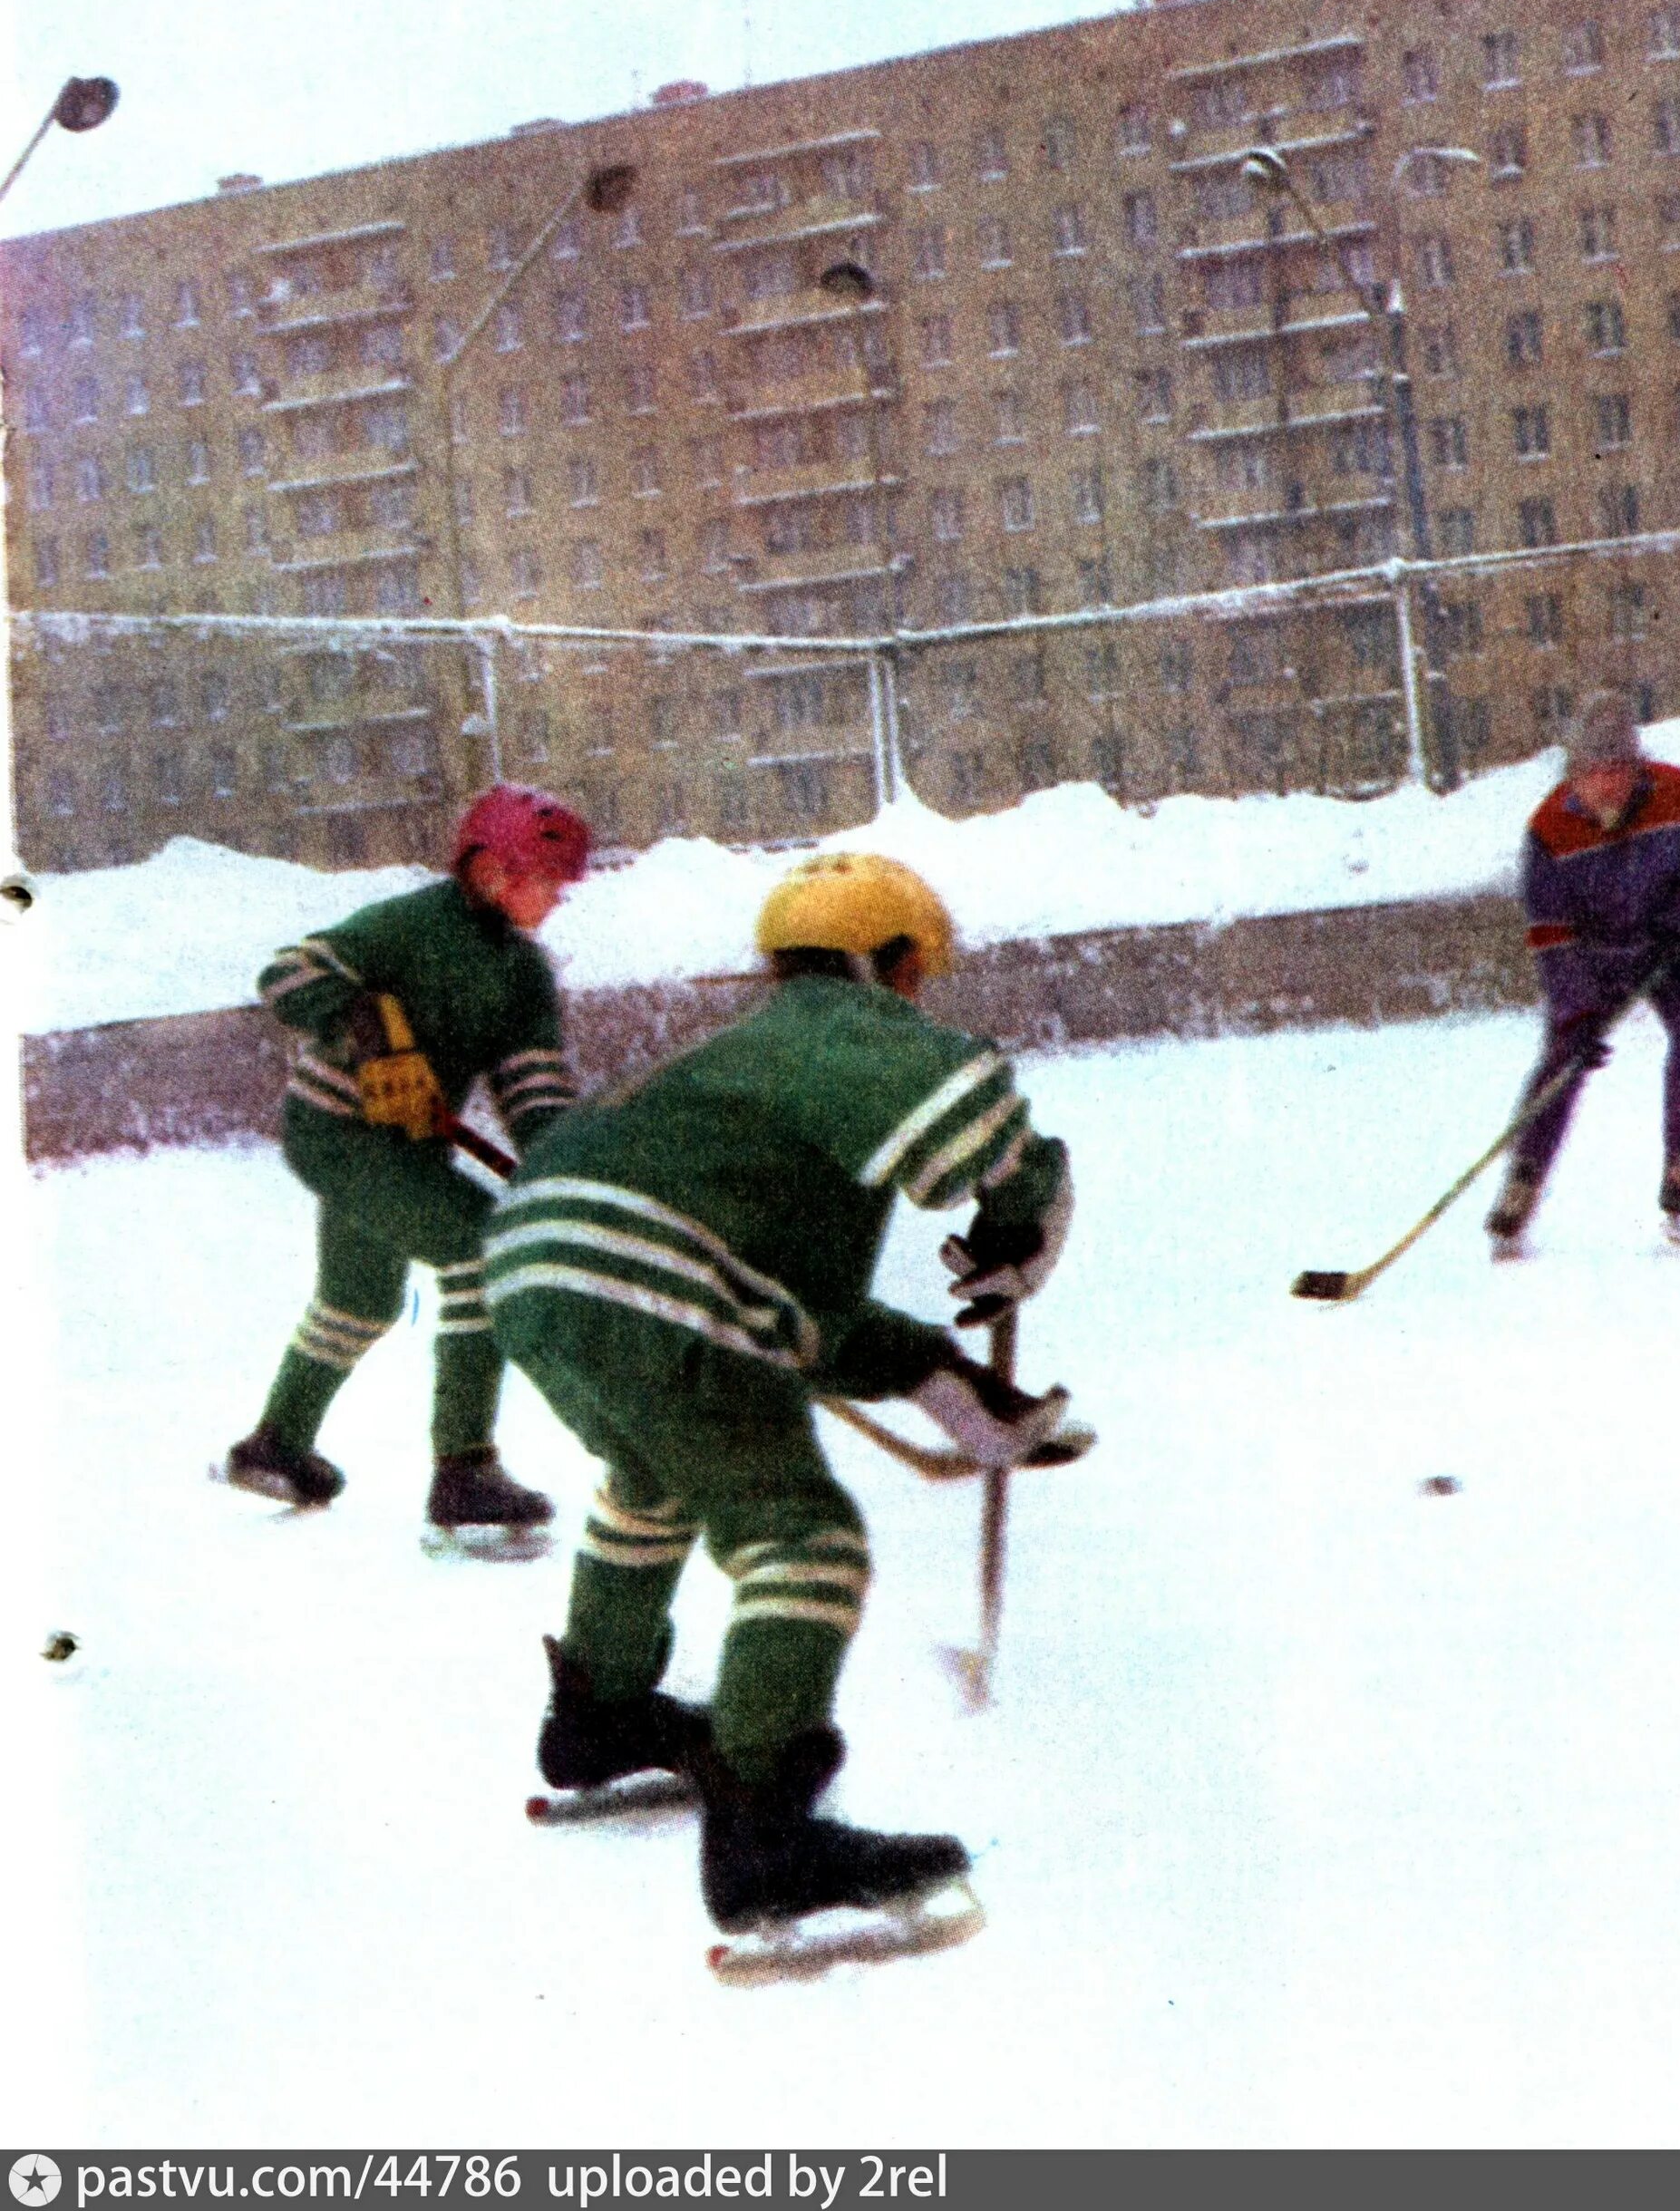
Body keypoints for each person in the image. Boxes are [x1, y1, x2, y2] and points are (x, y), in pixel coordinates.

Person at [484, 849, 1077, 1934]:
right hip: (652, 1283)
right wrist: (1025, 1212)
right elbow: (984, 1122)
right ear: (889, 964)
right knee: (802, 1540)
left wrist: (940, 1381)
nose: (914, 995)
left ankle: (600, 1717)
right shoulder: (839, 1024)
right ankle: (766, 1835)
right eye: (912, 975)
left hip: (533, 1268)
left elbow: (783, 1319)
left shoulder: (734, 1069)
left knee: (658, 1475)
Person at [223, 782, 590, 1532]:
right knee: (483, 1250)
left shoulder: (524, 975)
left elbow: (533, 1091)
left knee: (359, 1300)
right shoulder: (408, 925)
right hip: (339, 1132)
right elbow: (286, 975)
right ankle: (464, 1469)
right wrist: (361, 1017)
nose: (557, 899)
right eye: (547, 881)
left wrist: (565, 1170)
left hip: (406, 1144)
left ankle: (276, 1444)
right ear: (492, 871)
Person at [1485, 692, 1680, 1252]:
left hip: (1670, 945)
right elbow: (1551, 933)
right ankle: (1524, 1179)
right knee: (1563, 1059)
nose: (1607, 783)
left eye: (1619, 770)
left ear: (1637, 766)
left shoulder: (1679, 792)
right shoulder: (1550, 829)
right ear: (1573, 773)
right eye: (1592, 771)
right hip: (1594, 957)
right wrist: (1578, 1012)